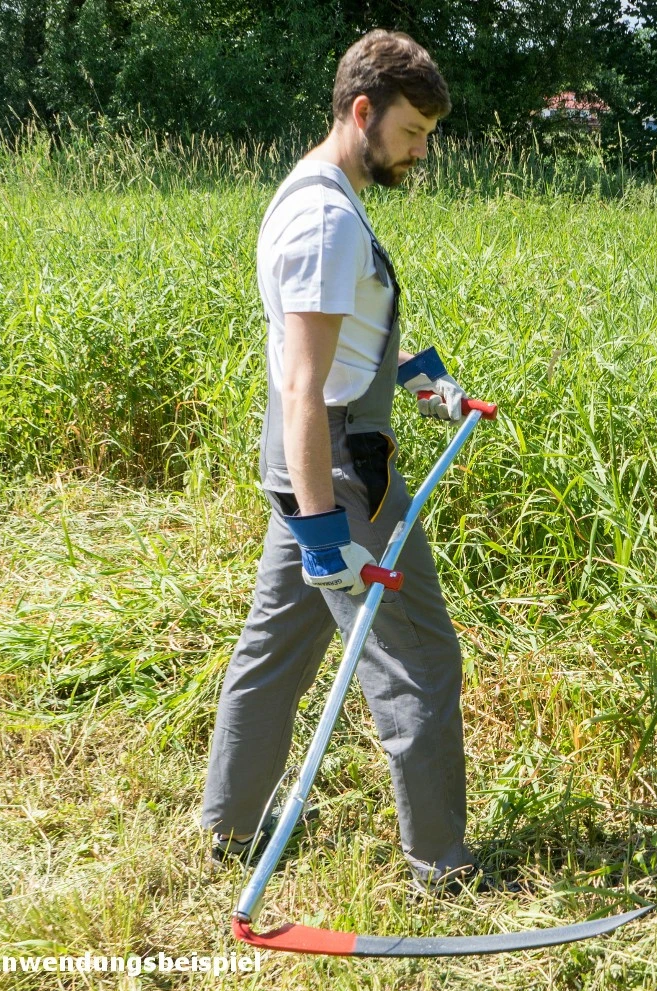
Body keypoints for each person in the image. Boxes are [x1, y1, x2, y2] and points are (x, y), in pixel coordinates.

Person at [200, 29, 481, 895]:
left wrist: (428, 383)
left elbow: (341, 342)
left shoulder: (320, 194)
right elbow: (304, 385)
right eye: (411, 132)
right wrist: (329, 532)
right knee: (418, 658)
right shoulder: (325, 218)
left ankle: (227, 826)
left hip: (316, 462)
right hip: (339, 471)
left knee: (276, 647)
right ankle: (443, 865)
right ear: (363, 111)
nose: (421, 152)